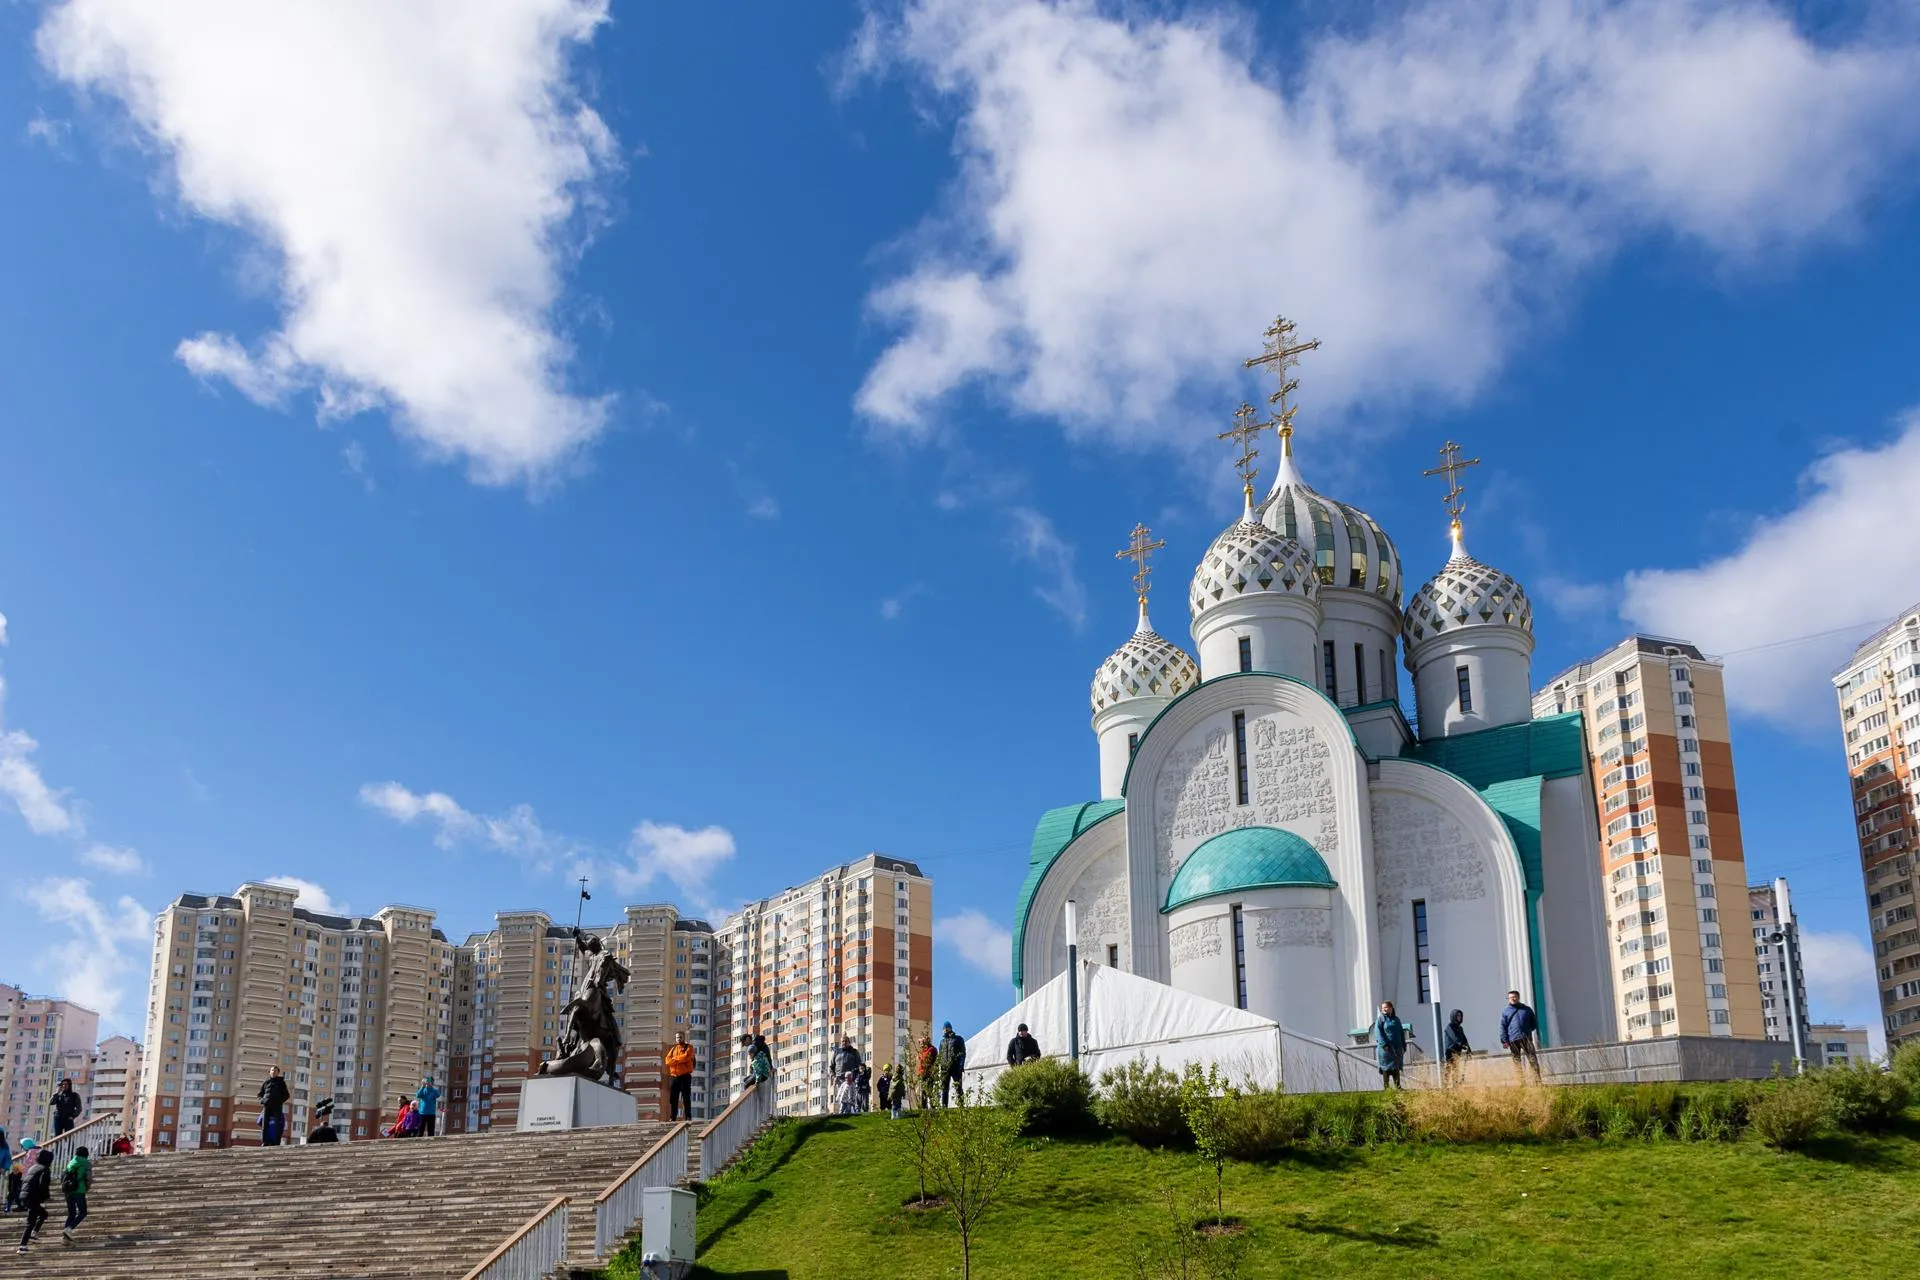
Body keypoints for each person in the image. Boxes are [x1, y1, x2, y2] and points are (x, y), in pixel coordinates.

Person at [1499, 990, 1542, 1082]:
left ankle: (1537, 1080)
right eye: (1511, 997)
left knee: (1532, 1059)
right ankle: (1521, 1082)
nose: (1513, 999)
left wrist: (1527, 1031)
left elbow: (1534, 1023)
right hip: (1513, 1040)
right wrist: (1504, 1040)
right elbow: (1502, 1026)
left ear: (1518, 997)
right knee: (1517, 1061)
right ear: (1508, 999)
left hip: (1526, 1038)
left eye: (1515, 997)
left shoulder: (1527, 1009)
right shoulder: (1505, 1012)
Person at [15, 1149, 52, 1254]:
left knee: (43, 1214)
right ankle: (22, 1245)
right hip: (32, 1197)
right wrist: (45, 1196)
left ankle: (33, 1233)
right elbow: (43, 1185)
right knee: (30, 1221)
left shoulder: (33, 1167)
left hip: (24, 1195)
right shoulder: (45, 1169)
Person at [1372, 1001, 1407, 1090]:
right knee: (1386, 1068)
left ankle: (1398, 1086)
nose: (1384, 1009)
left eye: (1386, 1007)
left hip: (1397, 1047)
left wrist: (1403, 1045)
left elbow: (1401, 1033)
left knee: (1396, 1066)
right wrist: (1384, 1044)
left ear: (1391, 1008)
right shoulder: (1380, 1019)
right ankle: (1386, 1087)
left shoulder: (1396, 1019)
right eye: (1382, 1008)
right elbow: (1378, 1033)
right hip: (1386, 1049)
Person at [59, 1145, 89, 1243]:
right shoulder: (85, 1162)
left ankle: (65, 1238)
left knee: (71, 1213)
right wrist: (86, 1185)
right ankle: (69, 1229)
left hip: (68, 1190)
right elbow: (84, 1177)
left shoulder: (71, 1162)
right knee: (83, 1212)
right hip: (78, 1190)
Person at [664, 1032, 696, 1122]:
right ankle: (672, 1117)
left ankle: (688, 1117)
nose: (679, 1039)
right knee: (673, 1098)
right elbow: (667, 1061)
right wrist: (677, 1060)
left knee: (686, 1098)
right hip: (674, 1077)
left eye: (680, 1037)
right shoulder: (673, 1049)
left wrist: (674, 1060)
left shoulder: (689, 1047)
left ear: (684, 1038)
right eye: (677, 1037)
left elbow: (686, 1057)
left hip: (685, 1076)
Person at [257, 1065, 291, 1147]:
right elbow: (259, 1095)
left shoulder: (281, 1082)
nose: (273, 1072)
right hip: (267, 1106)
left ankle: (276, 1143)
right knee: (265, 1125)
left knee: (277, 1125)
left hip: (277, 1107)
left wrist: (279, 1101)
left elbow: (286, 1095)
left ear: (278, 1073)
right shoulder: (266, 1082)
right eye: (272, 1070)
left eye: (275, 1071)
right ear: (270, 1072)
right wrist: (263, 1101)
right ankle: (265, 1142)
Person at [830, 1037, 863, 1115]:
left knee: (850, 1096)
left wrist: (854, 1076)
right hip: (839, 1078)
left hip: (851, 1079)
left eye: (845, 1041)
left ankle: (851, 1112)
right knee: (842, 1096)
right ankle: (842, 1112)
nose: (843, 1043)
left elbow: (859, 1065)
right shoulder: (837, 1052)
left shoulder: (854, 1052)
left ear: (849, 1042)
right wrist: (833, 1077)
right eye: (842, 1041)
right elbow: (831, 1066)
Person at [937, 1022, 967, 1107]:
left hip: (955, 1067)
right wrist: (940, 1066)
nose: (945, 1029)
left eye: (947, 1027)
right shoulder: (942, 1042)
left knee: (958, 1087)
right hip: (945, 1068)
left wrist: (961, 1065)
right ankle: (944, 1107)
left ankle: (961, 1105)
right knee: (944, 1089)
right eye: (944, 1028)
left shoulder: (958, 1039)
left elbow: (962, 1053)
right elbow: (940, 1055)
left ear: (950, 1028)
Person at [1442, 1009, 1472, 1085]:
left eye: (1460, 1016)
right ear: (1454, 1016)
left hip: (1457, 1051)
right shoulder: (1449, 1027)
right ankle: (1445, 1084)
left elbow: (1464, 1039)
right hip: (1450, 1050)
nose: (1459, 1017)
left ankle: (1455, 1084)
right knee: (1449, 1067)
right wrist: (1461, 1044)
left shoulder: (1460, 1028)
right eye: (1458, 1015)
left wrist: (1468, 1048)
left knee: (1456, 1068)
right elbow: (1454, 1037)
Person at [915, 1035, 938, 1108]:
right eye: (920, 1043)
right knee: (923, 1091)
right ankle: (924, 1107)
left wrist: (920, 1058)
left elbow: (928, 1061)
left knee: (929, 1090)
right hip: (922, 1073)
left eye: (921, 1043)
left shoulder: (931, 1049)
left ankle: (932, 1106)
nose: (920, 1045)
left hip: (928, 1073)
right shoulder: (923, 1051)